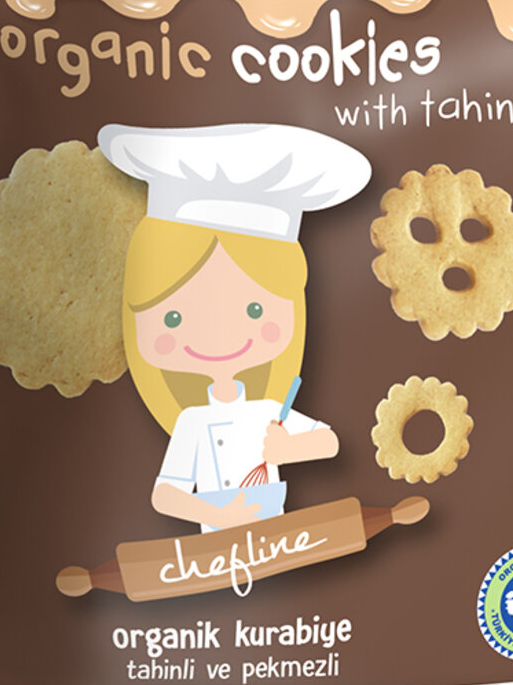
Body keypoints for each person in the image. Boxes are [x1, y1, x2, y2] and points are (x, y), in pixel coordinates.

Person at [101, 123, 370, 532]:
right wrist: (216, 516)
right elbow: (165, 494)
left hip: (272, 537)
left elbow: (328, 442)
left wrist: (289, 448)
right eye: (173, 318)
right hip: (215, 547)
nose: (216, 335)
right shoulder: (191, 423)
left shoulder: (268, 412)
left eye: (254, 310)